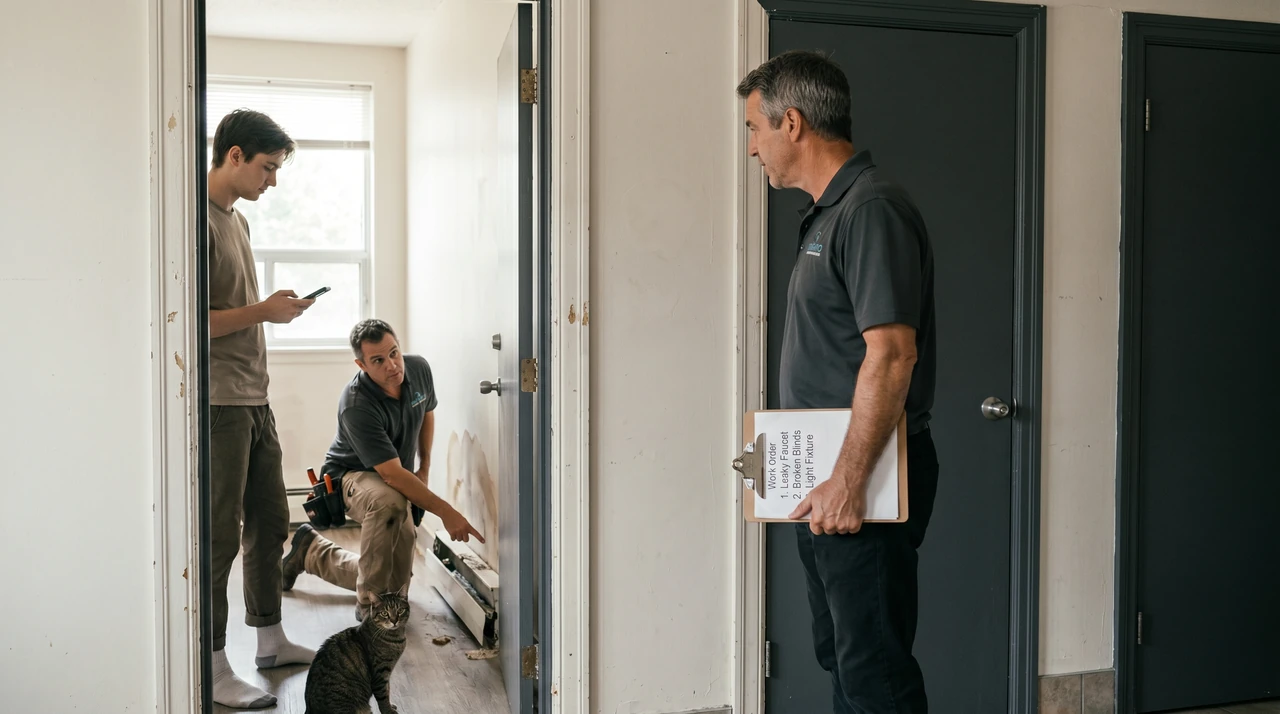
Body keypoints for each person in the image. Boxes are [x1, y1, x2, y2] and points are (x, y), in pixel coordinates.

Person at [737, 51, 941, 713]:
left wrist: (850, 481)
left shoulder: (870, 209)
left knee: (874, 671)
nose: (751, 148)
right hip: (824, 480)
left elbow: (891, 356)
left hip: (863, 481)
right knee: (845, 660)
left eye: (753, 129)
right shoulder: (829, 213)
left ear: (791, 123)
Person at [207, 108, 319, 709]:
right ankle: (211, 663)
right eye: (267, 168)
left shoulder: (238, 222)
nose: (272, 181)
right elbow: (190, 325)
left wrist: (271, 307)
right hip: (220, 404)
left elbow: (237, 307)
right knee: (219, 538)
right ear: (234, 156)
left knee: (273, 522)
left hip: (255, 398)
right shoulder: (193, 220)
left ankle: (269, 641)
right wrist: (262, 313)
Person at [280, 319, 484, 619]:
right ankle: (370, 610)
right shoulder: (356, 404)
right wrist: (446, 511)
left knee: (393, 587)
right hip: (350, 475)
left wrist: (424, 468)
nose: (392, 365)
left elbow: (427, 411)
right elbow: (389, 475)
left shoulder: (418, 369)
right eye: (378, 360)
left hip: (393, 472)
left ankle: (310, 552)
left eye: (394, 353)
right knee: (388, 501)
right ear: (361, 364)